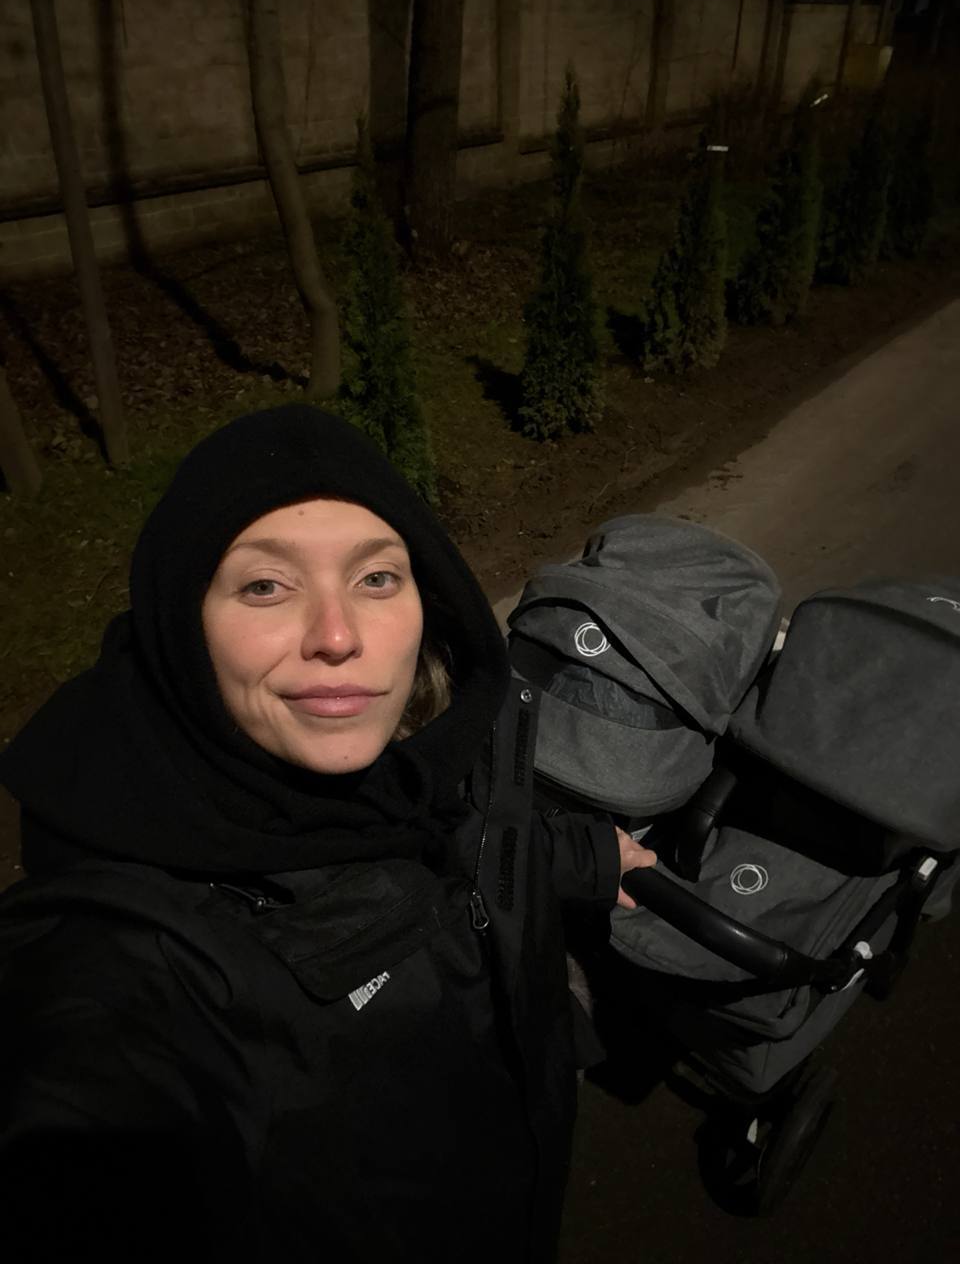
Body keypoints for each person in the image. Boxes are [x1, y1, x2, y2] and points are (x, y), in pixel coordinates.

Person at [0, 404, 655, 1263]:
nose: (339, 637)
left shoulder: (429, 738)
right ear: (181, 622)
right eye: (265, 586)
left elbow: (460, 841)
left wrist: (584, 857)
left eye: (376, 578)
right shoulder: (128, 968)